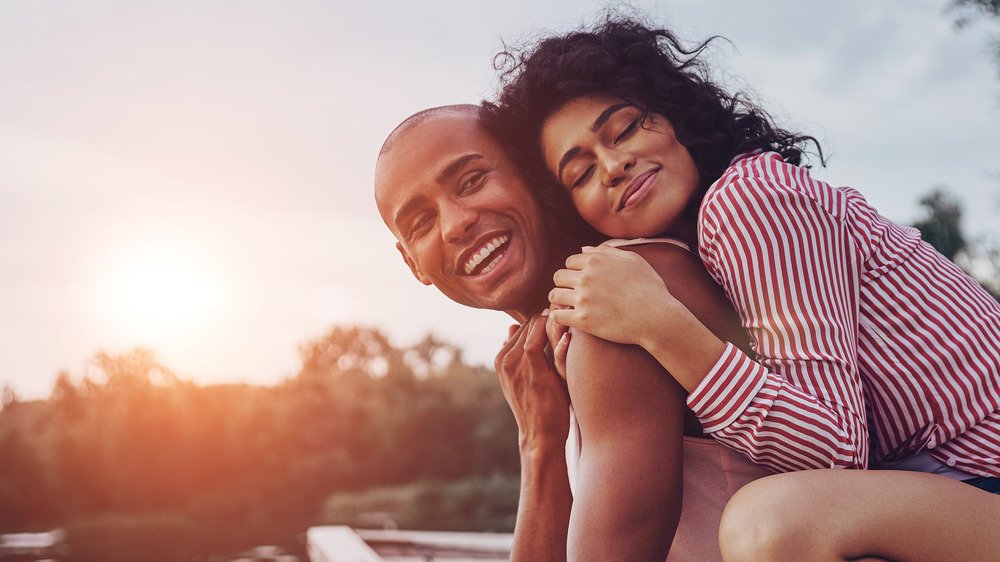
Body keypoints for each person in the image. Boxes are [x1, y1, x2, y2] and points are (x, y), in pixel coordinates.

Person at [484, 16, 1000, 560]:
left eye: (627, 128)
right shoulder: (692, 253)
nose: (614, 165)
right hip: (955, 490)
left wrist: (661, 326)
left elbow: (838, 455)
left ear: (674, 117)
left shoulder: (748, 200)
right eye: (581, 173)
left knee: (767, 522)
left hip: (984, 470)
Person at [374, 104, 775, 561]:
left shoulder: (618, 306)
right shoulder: (559, 339)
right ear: (412, 264)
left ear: (535, 172)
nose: (455, 224)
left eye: (471, 182)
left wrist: (538, 450)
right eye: (421, 223)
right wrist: (541, 442)